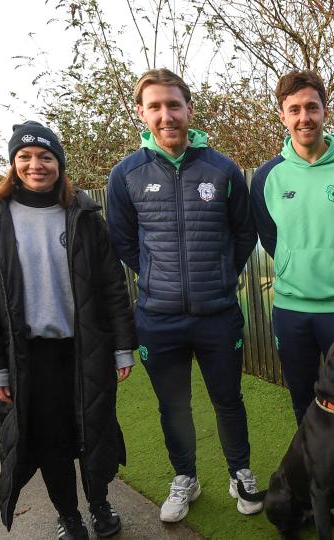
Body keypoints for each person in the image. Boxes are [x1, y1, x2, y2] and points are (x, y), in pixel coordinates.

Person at [0, 121, 137, 540]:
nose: (36, 165)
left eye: (45, 157)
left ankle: (99, 503)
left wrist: (123, 346)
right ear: (13, 164)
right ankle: (69, 516)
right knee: (50, 441)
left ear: (59, 162)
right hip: (28, 356)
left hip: (84, 347)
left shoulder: (86, 217)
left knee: (94, 431)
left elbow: (112, 286)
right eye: (26, 157)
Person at [105, 68, 261, 522]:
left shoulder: (222, 169)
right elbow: (124, 242)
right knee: (173, 405)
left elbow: (244, 233)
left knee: (228, 400)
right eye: (155, 106)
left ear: (189, 109)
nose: (166, 115)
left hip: (218, 315)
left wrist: (217, 275)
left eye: (173, 105)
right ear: (141, 113)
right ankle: (185, 478)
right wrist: (159, 276)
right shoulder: (126, 174)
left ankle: (240, 472)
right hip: (159, 317)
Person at [250, 70, 334, 512]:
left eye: (311, 107)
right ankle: (313, 474)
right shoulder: (266, 176)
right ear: (282, 116)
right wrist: (293, 266)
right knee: (304, 399)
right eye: (294, 109)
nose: (304, 117)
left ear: (325, 111)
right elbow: (270, 238)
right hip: (291, 308)